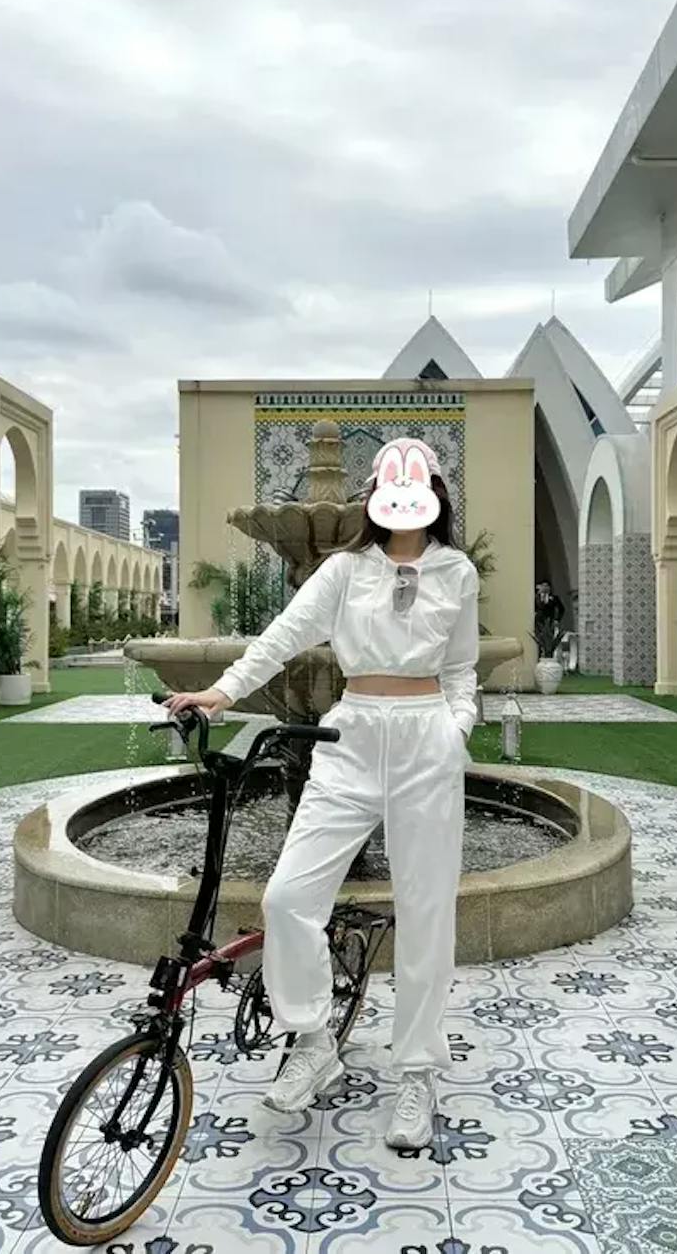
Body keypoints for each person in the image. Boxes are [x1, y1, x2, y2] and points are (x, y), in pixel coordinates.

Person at [168, 437, 478, 1151]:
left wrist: (455, 729)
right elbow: (283, 636)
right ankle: (312, 1039)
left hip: (426, 741)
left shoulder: (456, 572)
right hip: (351, 737)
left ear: (436, 494)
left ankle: (417, 1074)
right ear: (374, 495)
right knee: (287, 897)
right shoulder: (344, 570)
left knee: (427, 912)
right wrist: (222, 692)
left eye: (420, 486)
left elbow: (462, 670)